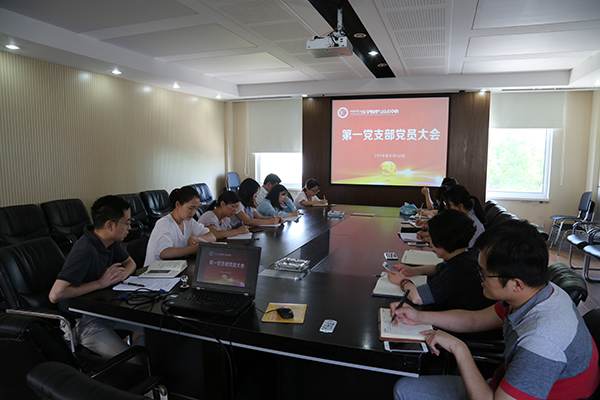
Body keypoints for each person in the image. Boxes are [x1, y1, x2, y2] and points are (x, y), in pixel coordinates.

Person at [391, 220, 600, 400]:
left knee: (404, 390)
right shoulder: (539, 291)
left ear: (516, 284)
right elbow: (474, 320)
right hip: (507, 384)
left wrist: (459, 349)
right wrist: (418, 316)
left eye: (483, 273)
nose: (479, 278)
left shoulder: (542, 341)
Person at [48, 195, 144, 358]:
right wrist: (100, 283)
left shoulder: (110, 241)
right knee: (136, 361)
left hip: (104, 311)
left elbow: (130, 263)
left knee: (157, 329)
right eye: (127, 223)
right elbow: (55, 294)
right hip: (81, 321)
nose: (129, 227)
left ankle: (144, 362)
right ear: (110, 225)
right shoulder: (84, 250)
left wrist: (122, 274)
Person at [387, 210, 494, 311]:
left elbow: (417, 297)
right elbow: (439, 268)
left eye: (434, 240)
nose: (431, 244)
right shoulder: (467, 254)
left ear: (446, 241)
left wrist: (402, 281)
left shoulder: (459, 270)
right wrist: (413, 270)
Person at [144, 186, 216, 266]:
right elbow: (164, 253)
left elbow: (212, 237)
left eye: (196, 208)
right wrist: (196, 248)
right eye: (191, 208)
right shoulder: (165, 223)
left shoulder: (188, 221)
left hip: (176, 266)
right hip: (157, 270)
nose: (193, 212)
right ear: (177, 204)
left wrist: (195, 238)